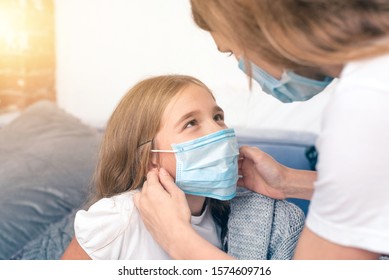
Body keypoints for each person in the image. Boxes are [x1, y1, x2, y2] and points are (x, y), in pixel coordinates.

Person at [133, 0, 389, 259]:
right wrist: (289, 183)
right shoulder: (117, 221)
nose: (245, 67)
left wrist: (178, 240)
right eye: (191, 123)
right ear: (149, 155)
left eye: (233, 51)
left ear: (265, 30)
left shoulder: (367, 106)